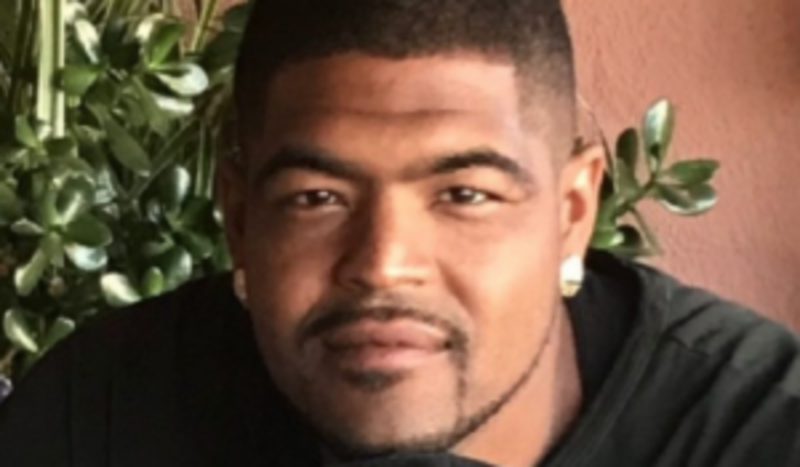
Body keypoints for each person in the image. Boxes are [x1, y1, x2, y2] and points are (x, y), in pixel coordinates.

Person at [2, 0, 800, 465]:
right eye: (317, 197)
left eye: (464, 194)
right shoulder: (101, 413)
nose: (384, 263)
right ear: (239, 217)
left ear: (572, 212)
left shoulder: (757, 431)